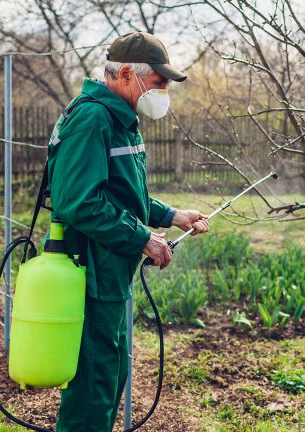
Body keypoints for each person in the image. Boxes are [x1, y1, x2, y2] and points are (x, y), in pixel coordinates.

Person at [46, 31, 208, 431]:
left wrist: (171, 215)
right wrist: (142, 238)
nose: (163, 94)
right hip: (89, 273)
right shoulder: (92, 119)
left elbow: (123, 195)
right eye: (158, 84)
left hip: (110, 274)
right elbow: (79, 203)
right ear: (124, 74)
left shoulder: (120, 119)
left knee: (111, 373)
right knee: (93, 387)